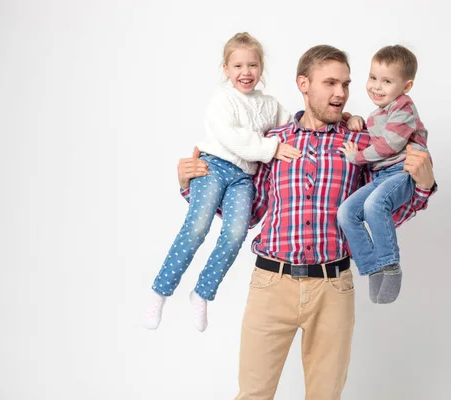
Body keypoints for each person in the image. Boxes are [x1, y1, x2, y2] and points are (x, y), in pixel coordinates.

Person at [177, 44, 436, 399]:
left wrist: (422, 186)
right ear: (304, 84)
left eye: (345, 84)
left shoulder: (360, 144)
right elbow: (251, 212)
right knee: (253, 394)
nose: (341, 93)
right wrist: (192, 185)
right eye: (330, 83)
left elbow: (379, 210)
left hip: (333, 289)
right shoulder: (272, 143)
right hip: (271, 284)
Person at [143, 32, 301, 332]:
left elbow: (294, 125)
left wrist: (345, 118)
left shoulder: (269, 104)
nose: (246, 72)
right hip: (212, 167)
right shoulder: (222, 100)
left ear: (261, 68)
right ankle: (160, 292)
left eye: (252, 65)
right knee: (198, 226)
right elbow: (232, 137)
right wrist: (272, 148)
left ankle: (202, 292)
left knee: (235, 232)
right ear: (226, 69)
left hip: (243, 177)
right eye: (238, 66)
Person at [337, 45, 430, 304]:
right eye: (373, 78)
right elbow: (372, 134)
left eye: (387, 81)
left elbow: (389, 145)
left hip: (402, 173)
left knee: (375, 204)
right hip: (381, 176)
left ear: (406, 86)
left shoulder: (404, 108)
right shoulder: (377, 113)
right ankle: (372, 268)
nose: (376, 86)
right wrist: (356, 119)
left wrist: (356, 156)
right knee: (346, 212)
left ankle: (390, 265)